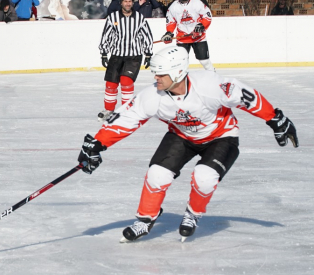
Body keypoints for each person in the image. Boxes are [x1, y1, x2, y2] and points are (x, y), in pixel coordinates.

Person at [78, 45, 299, 243]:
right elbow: (125, 120)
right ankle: (145, 220)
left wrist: (276, 119)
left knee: (204, 178)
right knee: (157, 174)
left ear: (178, 71)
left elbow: (246, 96)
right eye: (155, 73)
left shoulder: (209, 86)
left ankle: (193, 214)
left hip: (221, 136)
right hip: (182, 136)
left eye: (161, 73)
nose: (156, 78)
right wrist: (96, 145)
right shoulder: (153, 96)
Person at [96, 0, 153, 122]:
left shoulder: (139, 18)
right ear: (121, 2)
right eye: (125, 1)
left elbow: (147, 36)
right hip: (116, 55)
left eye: (130, 1)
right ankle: (109, 110)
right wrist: (104, 53)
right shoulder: (113, 17)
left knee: (126, 83)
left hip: (134, 56)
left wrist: (148, 53)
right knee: (111, 84)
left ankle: (126, 110)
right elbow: (106, 35)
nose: (128, 4)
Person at [161, 0, 215, 72]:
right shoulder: (173, 6)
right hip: (182, 38)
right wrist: (169, 32)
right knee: (181, 62)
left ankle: (213, 76)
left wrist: (201, 25)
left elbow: (207, 15)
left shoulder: (196, 2)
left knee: (204, 61)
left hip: (198, 36)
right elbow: (171, 21)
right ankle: (181, 81)